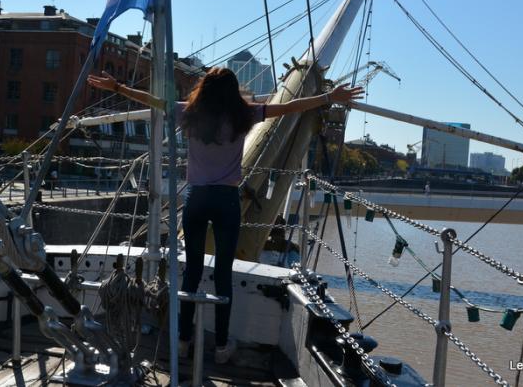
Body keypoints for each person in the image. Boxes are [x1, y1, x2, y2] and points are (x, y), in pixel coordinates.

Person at [87, 68, 363, 363]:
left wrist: (117, 86)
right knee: (222, 276)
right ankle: (220, 346)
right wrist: (328, 97)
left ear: (203, 89)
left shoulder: (189, 113)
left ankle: (183, 340)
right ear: (234, 91)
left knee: (191, 273)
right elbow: (290, 107)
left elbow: (152, 100)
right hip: (227, 200)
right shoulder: (245, 114)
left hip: (196, 197)